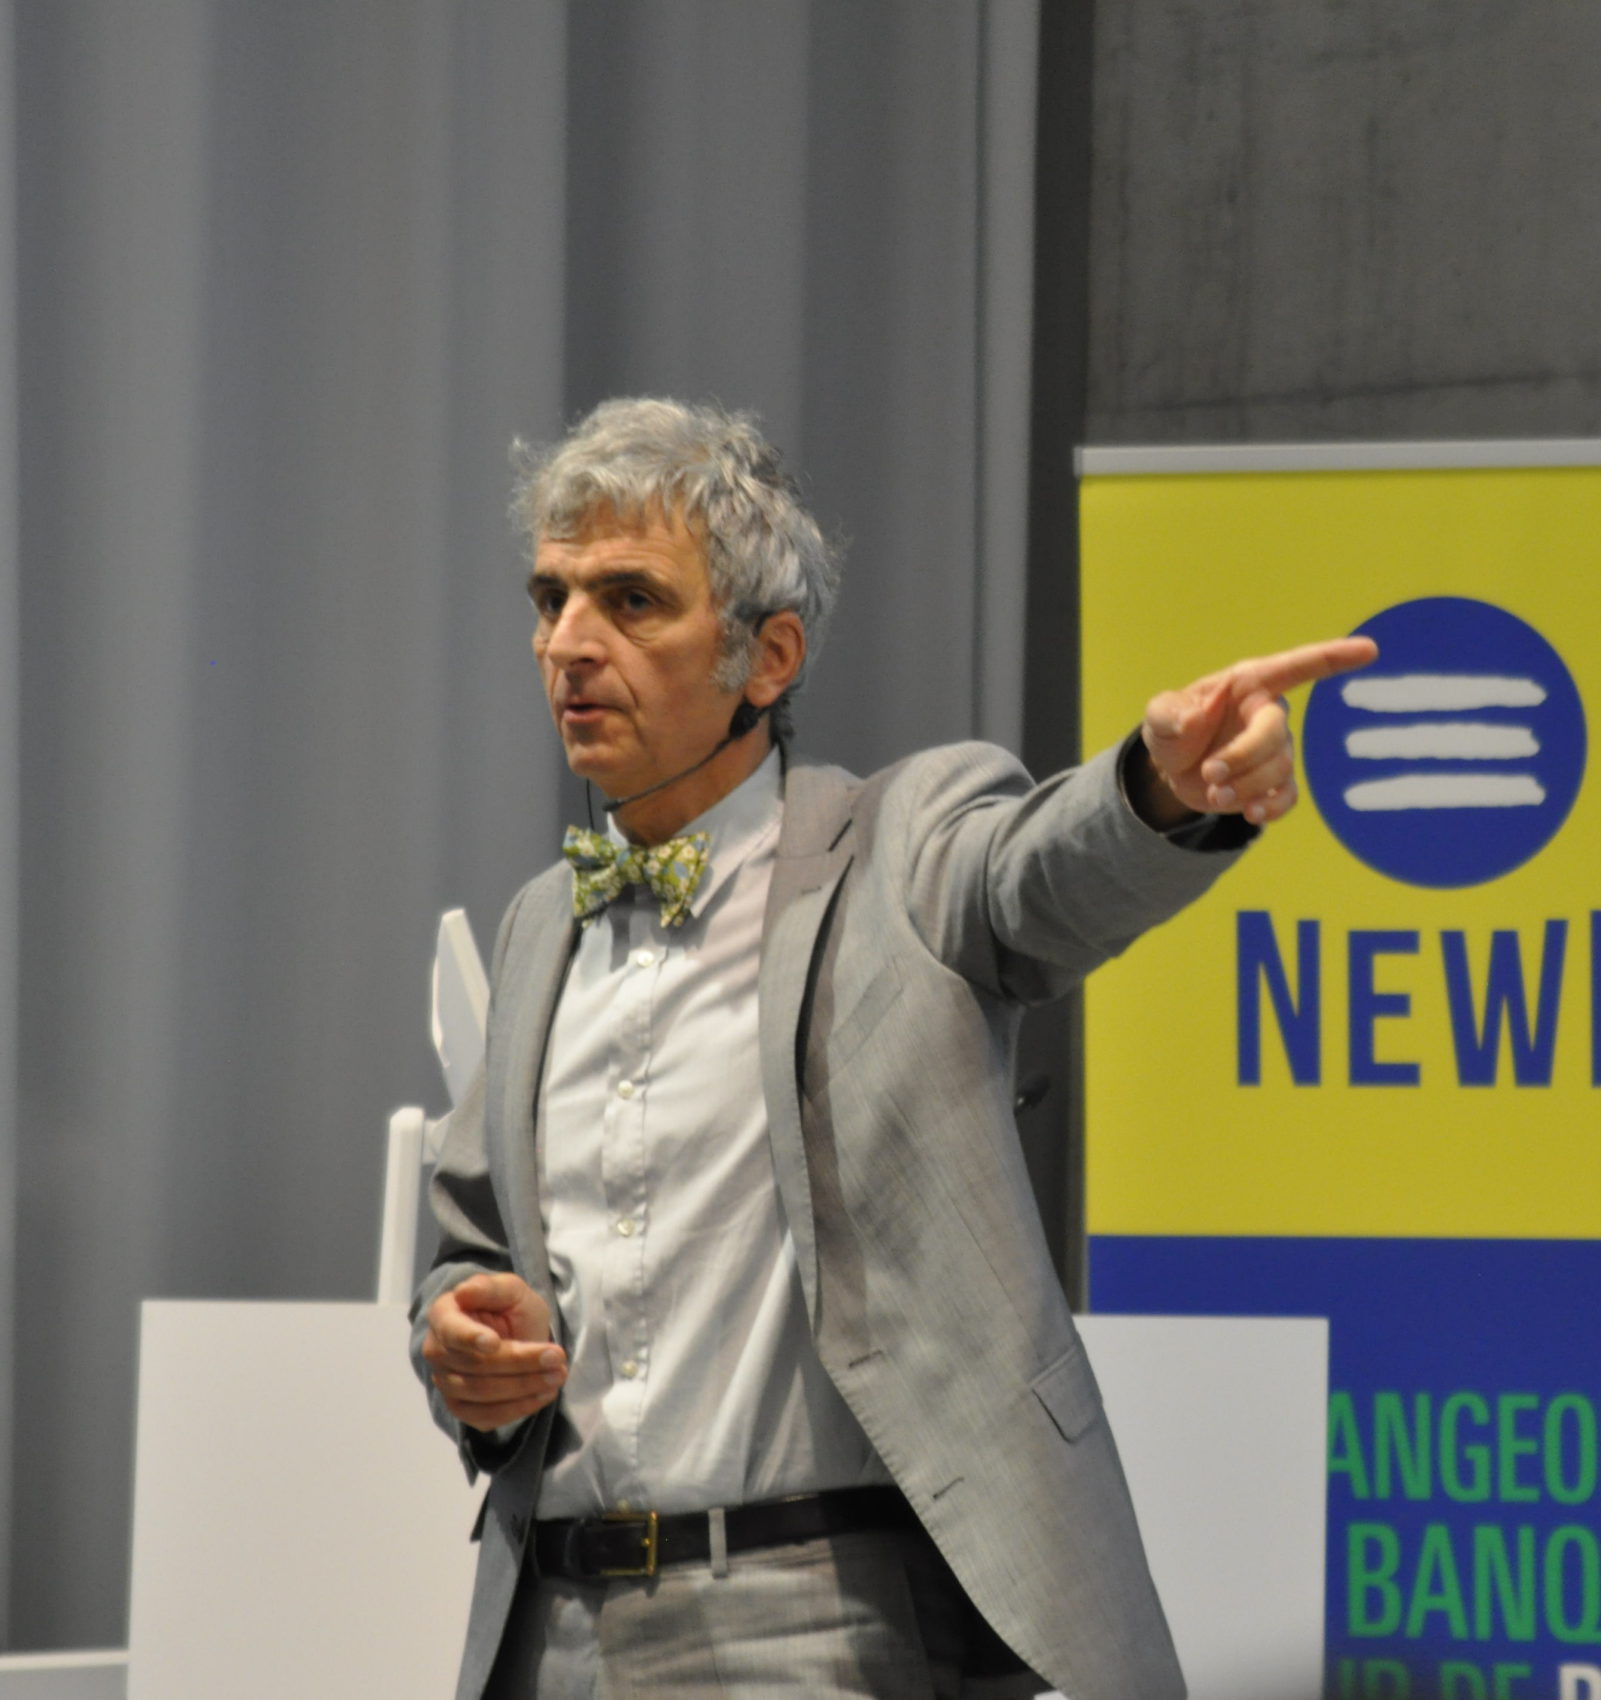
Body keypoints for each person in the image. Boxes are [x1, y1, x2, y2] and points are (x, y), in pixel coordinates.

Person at [411, 396, 1373, 1700]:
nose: (569, 643)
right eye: (551, 598)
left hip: (819, 1621)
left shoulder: (900, 848)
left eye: (631, 601)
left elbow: (1037, 877)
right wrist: (460, 1342)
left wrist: (1159, 792)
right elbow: (469, 1244)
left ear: (767, 656)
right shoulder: (540, 925)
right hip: (556, 1629)